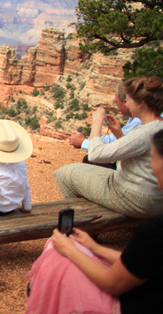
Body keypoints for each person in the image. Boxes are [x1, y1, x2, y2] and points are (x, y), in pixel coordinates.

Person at [0, 129, 163, 314]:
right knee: (66, 246)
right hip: (145, 301)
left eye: (153, 159)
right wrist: (94, 247)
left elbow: (113, 283)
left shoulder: (154, 230)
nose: (151, 166)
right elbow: (140, 264)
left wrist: (70, 250)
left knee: (57, 253)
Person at [54, 76, 163, 218]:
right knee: (83, 171)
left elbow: (95, 154)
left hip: (134, 197)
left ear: (141, 103)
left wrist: (97, 121)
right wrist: (118, 133)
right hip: (154, 195)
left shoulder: (144, 132)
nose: (127, 104)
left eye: (128, 100)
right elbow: (135, 152)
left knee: (64, 173)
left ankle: (85, 227)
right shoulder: (157, 126)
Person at [69, 82, 142, 169]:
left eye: (116, 101)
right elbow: (121, 142)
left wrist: (97, 121)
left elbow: (98, 153)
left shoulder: (140, 121)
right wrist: (117, 132)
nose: (116, 105)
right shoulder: (135, 118)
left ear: (126, 102)